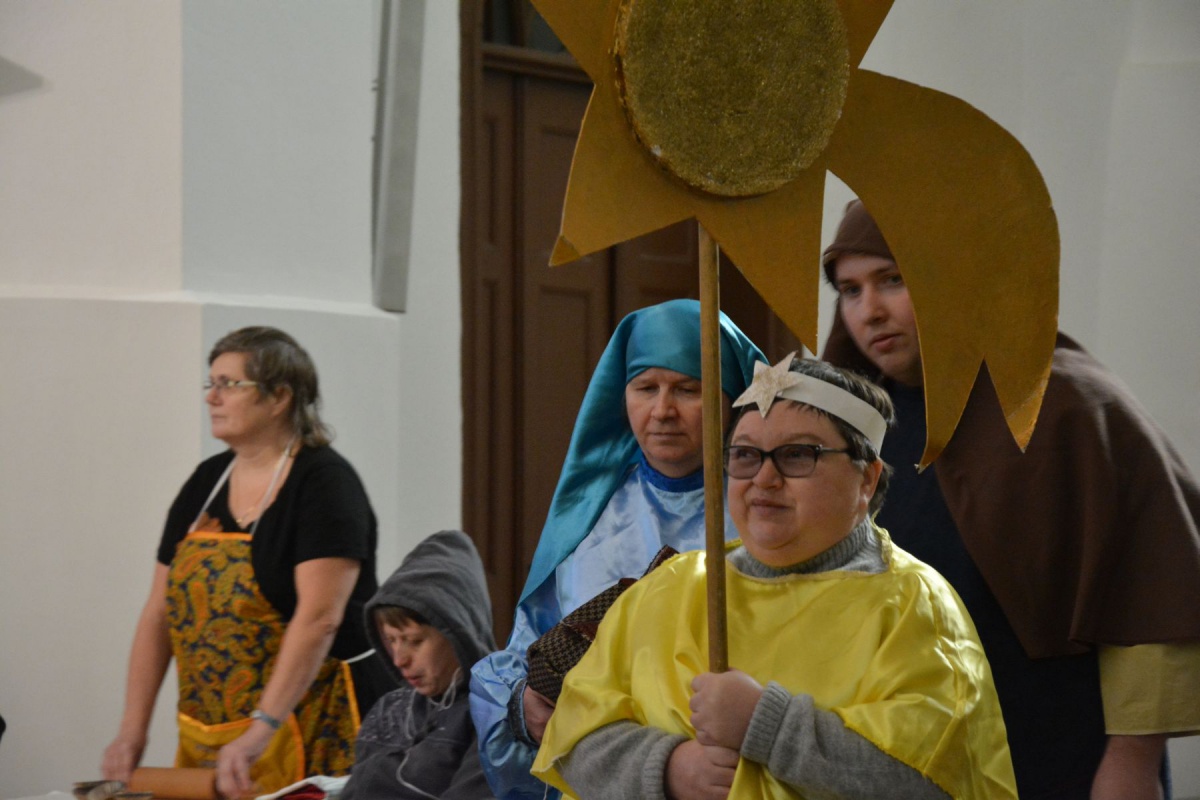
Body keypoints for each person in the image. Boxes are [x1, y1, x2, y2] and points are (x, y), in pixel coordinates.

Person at [822, 199, 1200, 799]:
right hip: (905, 758)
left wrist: (1132, 762)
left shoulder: (1067, 405)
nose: (870, 311)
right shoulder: (850, 423)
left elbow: (1150, 584)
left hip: (1056, 749)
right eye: (850, 290)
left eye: (893, 279)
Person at [531, 355, 1017, 800]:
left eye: (797, 455)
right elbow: (574, 739)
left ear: (866, 479)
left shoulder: (915, 605)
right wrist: (668, 768)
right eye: (745, 454)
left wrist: (768, 725)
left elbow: (934, 781)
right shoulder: (670, 587)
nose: (763, 478)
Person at [470, 299, 764, 800]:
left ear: (732, 398)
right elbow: (529, 644)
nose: (662, 411)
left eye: (688, 389)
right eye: (646, 388)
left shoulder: (765, 508)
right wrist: (522, 705)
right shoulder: (591, 510)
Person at [102, 326, 389, 798]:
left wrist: (262, 728)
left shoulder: (324, 483)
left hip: (316, 718)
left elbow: (319, 618)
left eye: (229, 384)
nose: (211, 397)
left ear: (279, 397)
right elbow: (159, 611)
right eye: (210, 383)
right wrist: (133, 730)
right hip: (212, 730)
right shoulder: (206, 481)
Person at [342, 529, 497, 800]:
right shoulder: (388, 708)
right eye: (391, 641)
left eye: (414, 641)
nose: (399, 659)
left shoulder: (493, 714)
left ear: (457, 633)